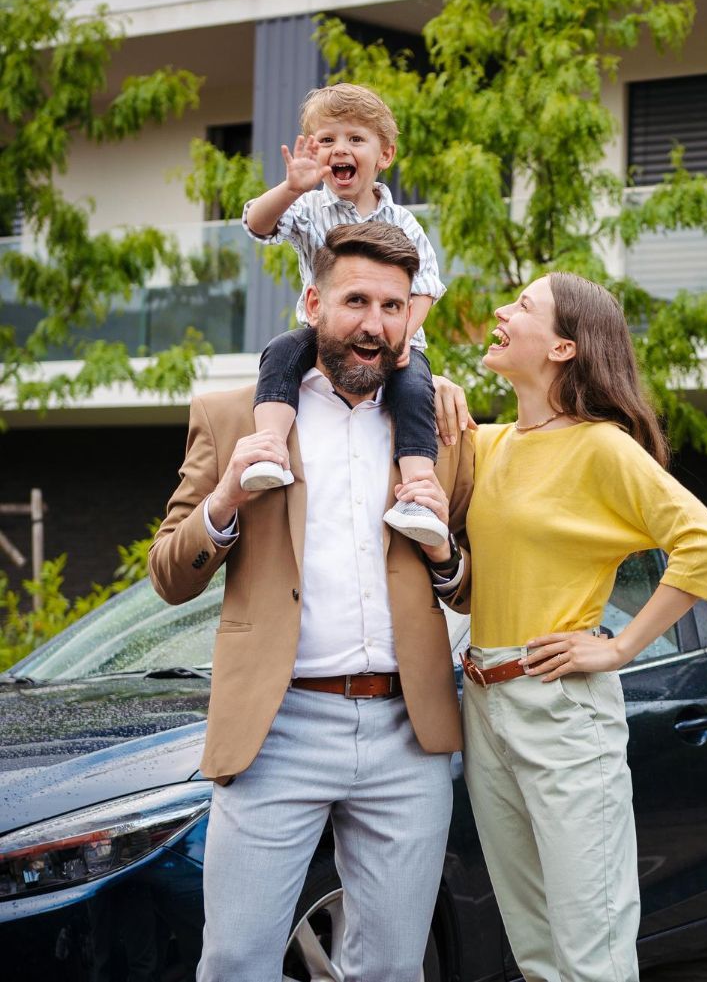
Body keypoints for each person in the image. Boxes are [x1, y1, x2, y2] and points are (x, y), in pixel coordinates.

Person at [148, 222, 473, 982]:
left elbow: (472, 586)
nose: (375, 324)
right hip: (278, 729)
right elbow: (170, 573)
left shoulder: (446, 430)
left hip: (407, 733)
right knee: (235, 962)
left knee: (393, 968)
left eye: (393, 306)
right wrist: (227, 495)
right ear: (312, 301)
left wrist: (443, 553)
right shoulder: (234, 416)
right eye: (356, 300)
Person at [445, 272, 707, 982]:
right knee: (537, 948)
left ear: (566, 345)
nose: (500, 313)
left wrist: (620, 645)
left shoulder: (602, 448)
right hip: (482, 700)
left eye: (522, 306)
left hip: (562, 709)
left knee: (592, 948)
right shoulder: (491, 445)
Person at [240, 82, 452, 546]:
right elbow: (257, 223)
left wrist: (401, 341)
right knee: (279, 352)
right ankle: (270, 446)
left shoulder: (403, 222)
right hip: (323, 335)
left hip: (395, 340)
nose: (341, 149)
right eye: (327, 139)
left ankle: (418, 487)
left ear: (385, 155)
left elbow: (427, 289)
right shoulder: (309, 205)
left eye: (356, 139)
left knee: (415, 388)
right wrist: (291, 187)